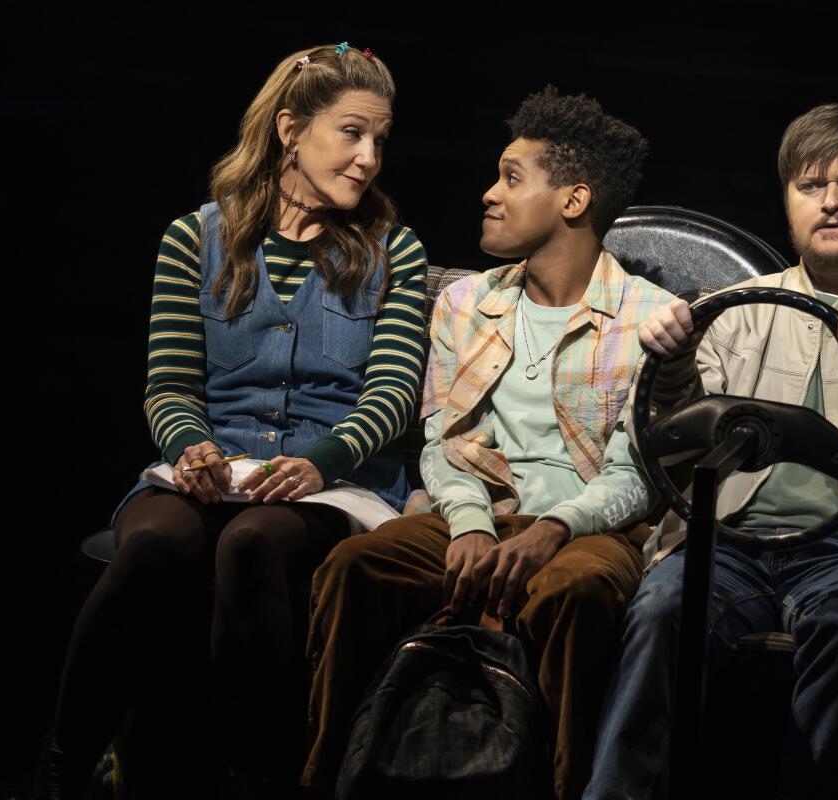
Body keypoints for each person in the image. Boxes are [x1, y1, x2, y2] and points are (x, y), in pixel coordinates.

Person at [39, 43, 428, 800]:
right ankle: (67, 757)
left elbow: (390, 394)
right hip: (219, 461)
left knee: (252, 543)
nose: (368, 157)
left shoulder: (394, 251)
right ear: (291, 128)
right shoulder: (197, 237)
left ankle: (257, 774)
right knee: (155, 538)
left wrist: (322, 459)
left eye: (379, 139)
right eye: (351, 133)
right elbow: (171, 385)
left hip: (335, 480)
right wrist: (191, 448)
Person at [583, 103, 838, 799]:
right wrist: (676, 363)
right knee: (660, 610)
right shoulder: (730, 306)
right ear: (787, 204)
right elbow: (661, 442)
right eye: (810, 186)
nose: (830, 201)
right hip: (727, 543)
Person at [302, 86, 674, 800]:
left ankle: (569, 786)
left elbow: (642, 475)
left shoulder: (651, 318)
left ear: (573, 201)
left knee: (580, 588)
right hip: (477, 515)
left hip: (591, 527)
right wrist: (469, 524)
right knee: (354, 568)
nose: (489, 195)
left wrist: (554, 531)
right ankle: (329, 780)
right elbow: (444, 438)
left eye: (511, 178)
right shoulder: (466, 303)